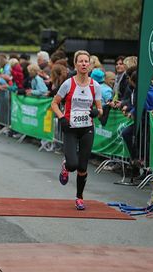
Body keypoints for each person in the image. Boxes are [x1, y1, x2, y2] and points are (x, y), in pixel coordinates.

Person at [51, 50, 102, 210]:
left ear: (90, 65)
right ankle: (66, 166)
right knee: (73, 164)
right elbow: (54, 103)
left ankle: (79, 198)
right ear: (76, 64)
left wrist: (97, 112)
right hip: (71, 128)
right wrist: (61, 118)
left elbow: (100, 109)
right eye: (81, 61)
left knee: (82, 166)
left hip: (87, 128)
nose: (84, 64)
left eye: (86, 61)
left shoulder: (95, 86)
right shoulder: (68, 84)